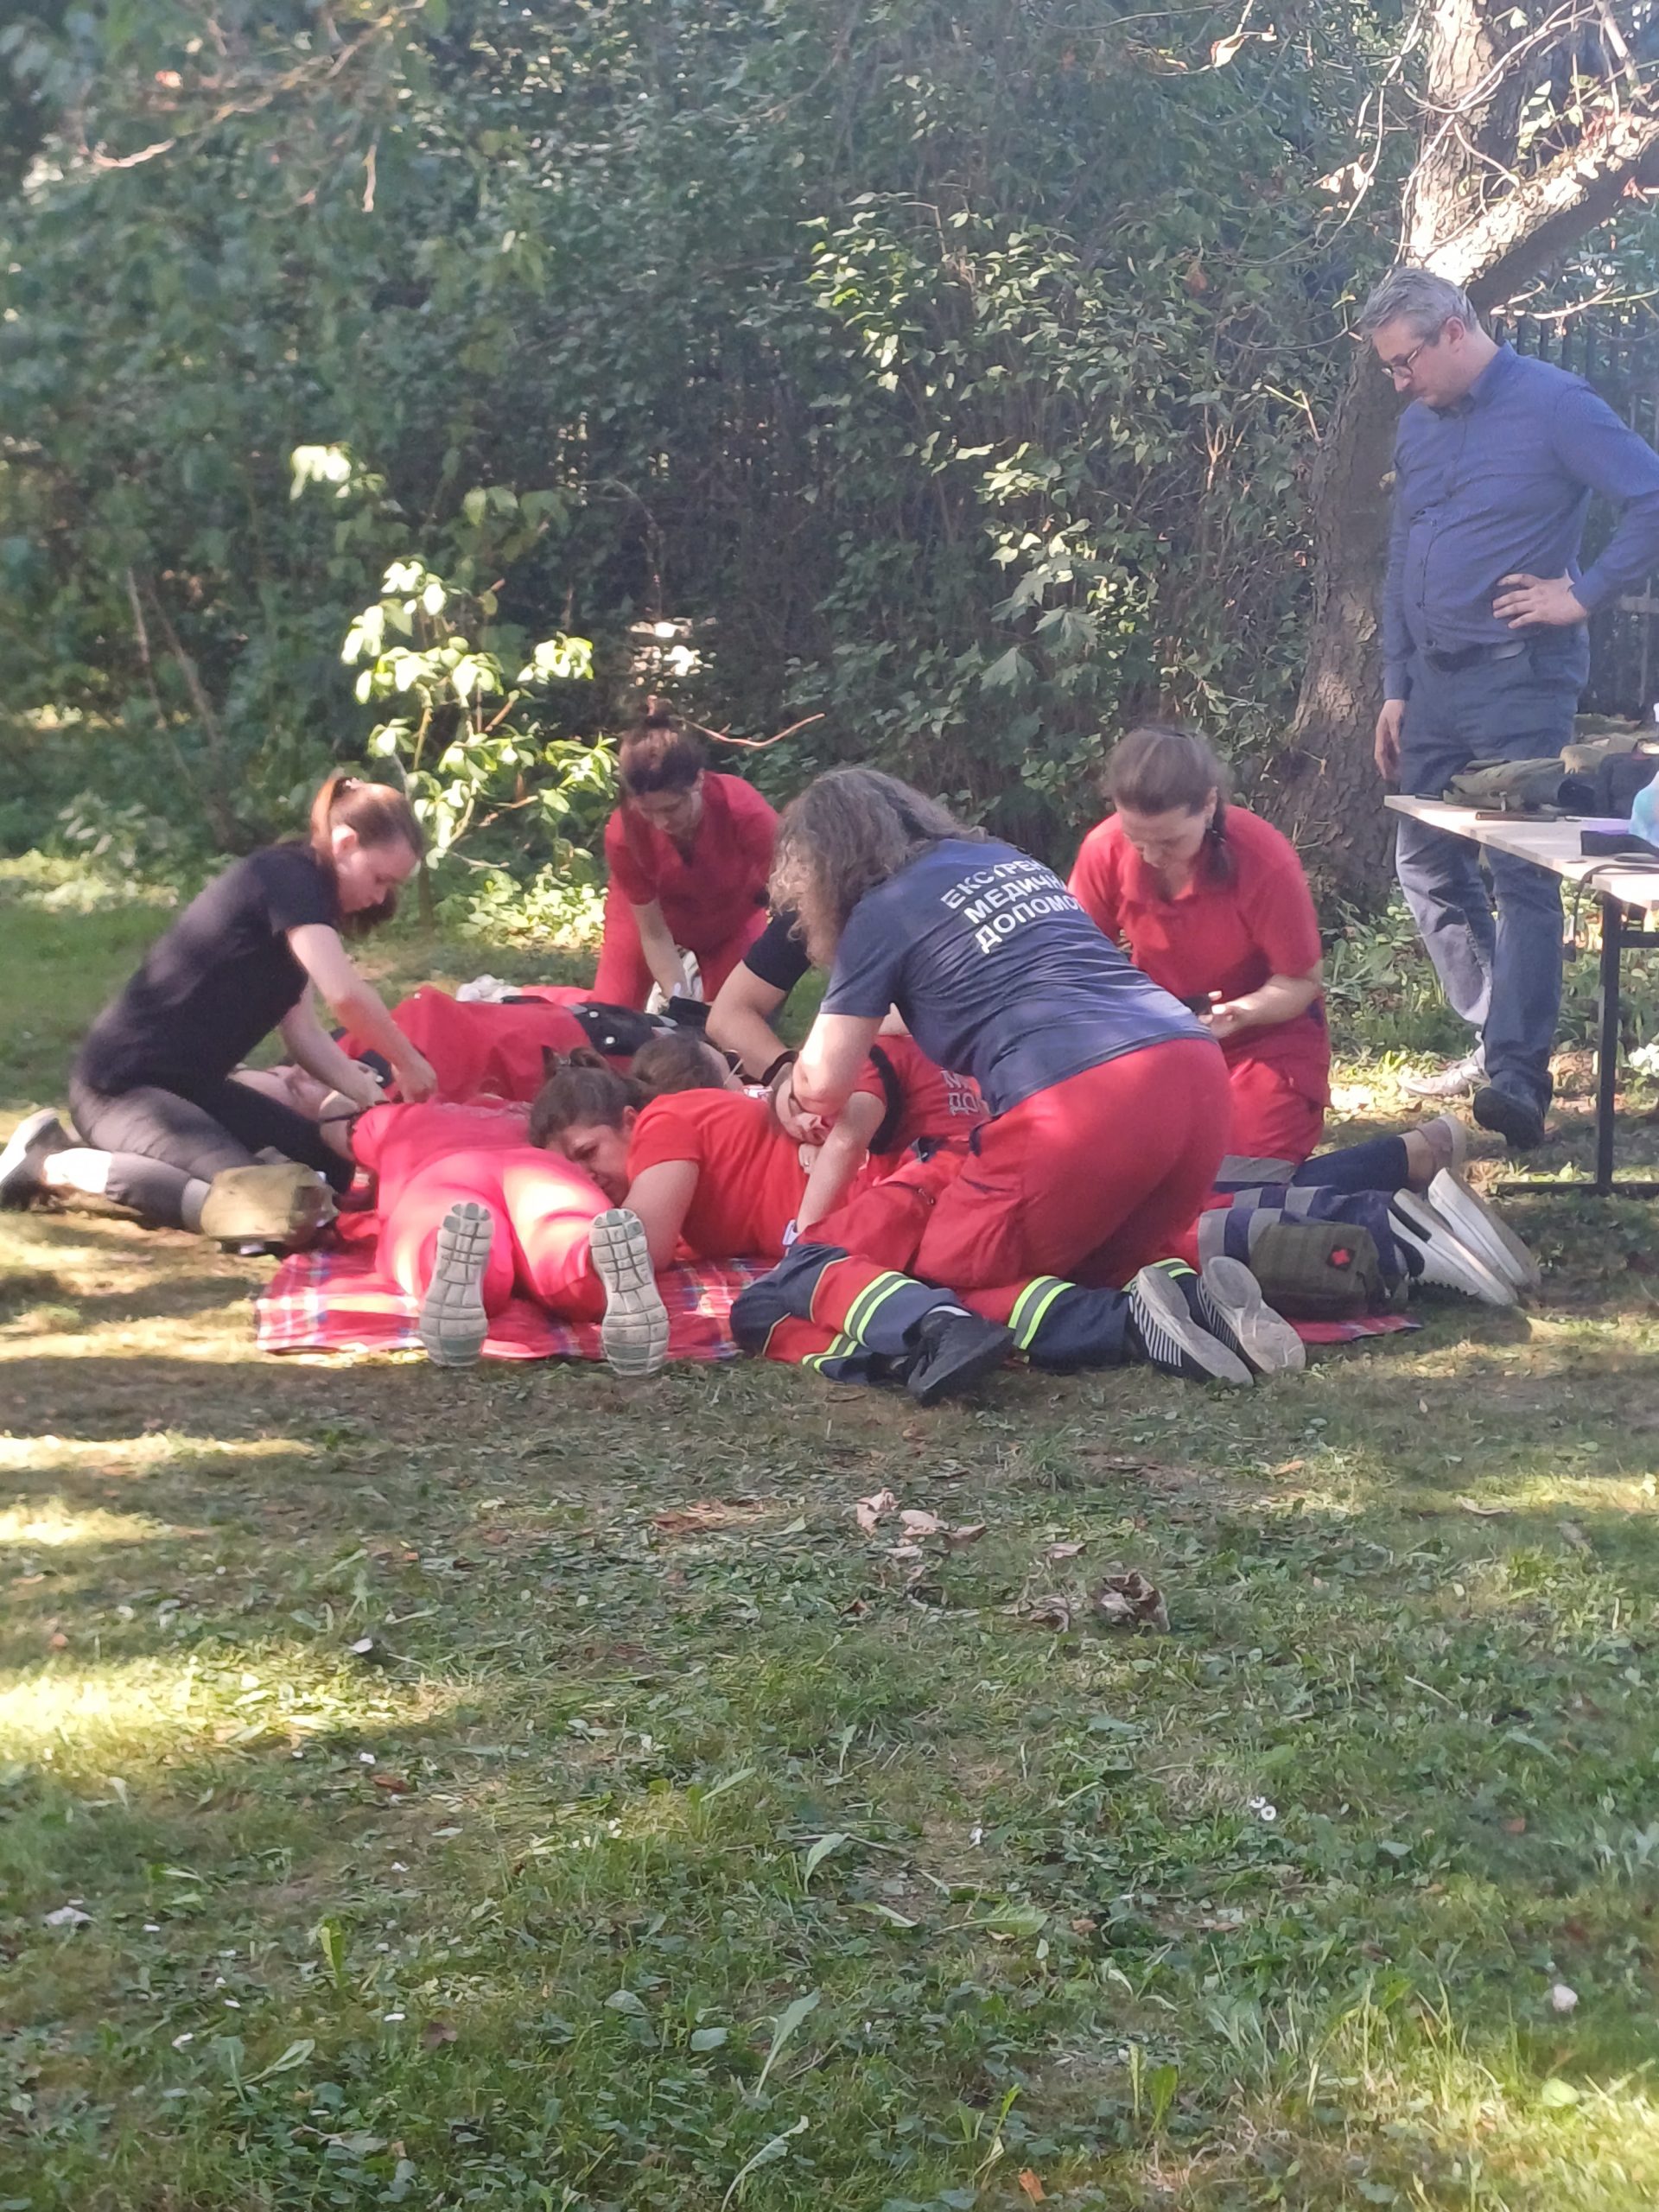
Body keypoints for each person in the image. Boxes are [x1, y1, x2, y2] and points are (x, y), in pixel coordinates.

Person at [726, 769, 1305, 1399]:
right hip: (1193, 1072)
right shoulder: (1004, 861)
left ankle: (1131, 1327)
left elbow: (822, 1085)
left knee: (938, 1276)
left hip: (1079, 1102)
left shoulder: (880, 911)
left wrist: (785, 1081)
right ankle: (1196, 1303)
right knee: (1085, 1264)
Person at [1362, 266, 1659, 1147]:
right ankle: (1498, 1031)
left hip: (1520, 677)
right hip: (1433, 684)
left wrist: (1584, 594)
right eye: (1389, 368)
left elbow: (1651, 494)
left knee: (1521, 871)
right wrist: (1395, 684)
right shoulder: (1420, 425)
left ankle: (1519, 1081)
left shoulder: (1556, 405)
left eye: (1405, 362)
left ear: (1454, 331)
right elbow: (1404, 552)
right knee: (1425, 866)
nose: (1400, 382)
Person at [0, 774, 435, 1231]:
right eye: (380, 879)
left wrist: (369, 1101)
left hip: (192, 1090)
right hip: (119, 1088)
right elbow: (344, 994)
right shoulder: (290, 877)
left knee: (333, 1171)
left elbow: (304, 1034)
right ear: (345, 843)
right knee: (267, 1205)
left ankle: (123, 1150)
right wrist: (407, 1062)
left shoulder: (306, 905)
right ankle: (53, 1163)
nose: (379, 897)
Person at [1069, 723, 1330, 1166]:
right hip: (1159, 1037)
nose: (1152, 856)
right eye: (1136, 839)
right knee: (1126, 1168)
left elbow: (1302, 981)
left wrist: (1241, 1012)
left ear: (1209, 805)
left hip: (1263, 1042)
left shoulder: (1263, 859)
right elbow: (1074, 962)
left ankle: (1404, 1156)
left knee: (1232, 1179)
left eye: (1170, 842)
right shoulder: (1103, 849)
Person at [590, 702, 779, 1010]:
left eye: (671, 809)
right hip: (649, 919)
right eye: (647, 811)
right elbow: (653, 934)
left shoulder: (744, 811)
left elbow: (794, 899)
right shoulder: (623, 834)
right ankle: (538, 1000)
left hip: (733, 919)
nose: (661, 823)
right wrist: (678, 997)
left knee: (733, 1019)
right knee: (610, 1014)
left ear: (698, 781)